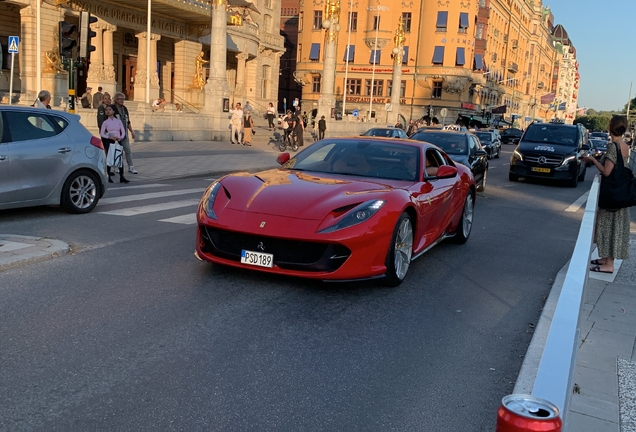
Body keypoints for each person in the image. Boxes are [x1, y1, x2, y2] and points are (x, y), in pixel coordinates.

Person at [580, 116, 631, 274]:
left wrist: (592, 160)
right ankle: (606, 259)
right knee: (615, 228)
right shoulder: (625, 146)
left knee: (608, 228)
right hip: (620, 194)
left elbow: (607, 171)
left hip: (611, 196)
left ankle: (608, 264)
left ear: (611, 127)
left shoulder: (612, 146)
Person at [100, 105, 129, 184]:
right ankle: (108, 175)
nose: (108, 111)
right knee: (109, 158)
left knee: (119, 157)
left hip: (118, 140)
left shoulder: (118, 121)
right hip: (110, 141)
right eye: (106, 110)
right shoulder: (105, 122)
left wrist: (121, 137)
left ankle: (122, 176)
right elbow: (102, 133)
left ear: (113, 111)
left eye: (110, 109)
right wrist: (108, 137)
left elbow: (123, 131)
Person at [112, 92, 138, 174]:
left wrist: (132, 132)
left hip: (124, 133)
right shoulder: (112, 108)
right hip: (116, 134)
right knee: (117, 151)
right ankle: (116, 166)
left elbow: (128, 121)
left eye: (123, 99)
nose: (121, 101)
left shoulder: (125, 109)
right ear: (116, 100)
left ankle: (131, 166)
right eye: (119, 99)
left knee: (128, 150)